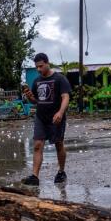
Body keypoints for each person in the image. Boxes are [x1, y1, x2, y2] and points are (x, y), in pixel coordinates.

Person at [21, 52, 71, 186]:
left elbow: (65, 97)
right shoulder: (37, 81)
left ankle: (61, 172)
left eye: (41, 66)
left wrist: (60, 112)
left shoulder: (60, 79)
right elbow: (35, 101)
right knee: (37, 145)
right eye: (36, 67)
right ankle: (35, 177)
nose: (38, 69)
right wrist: (30, 96)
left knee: (58, 144)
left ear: (47, 63)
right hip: (41, 117)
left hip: (56, 118)